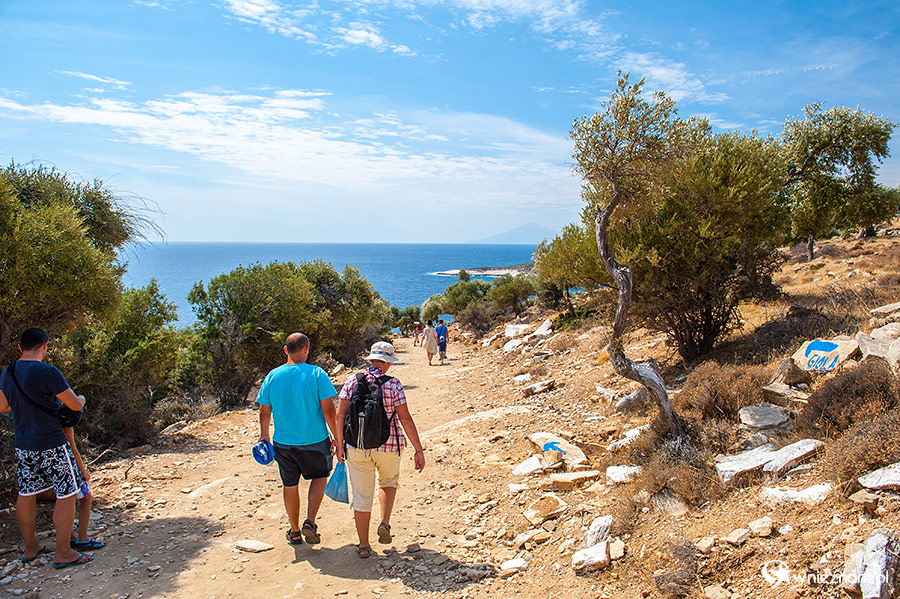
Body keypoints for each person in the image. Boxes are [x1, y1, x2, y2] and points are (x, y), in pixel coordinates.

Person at [0, 328, 93, 568]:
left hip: (24, 445)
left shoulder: (7, 372)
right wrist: (82, 398)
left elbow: (3, 406)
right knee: (67, 493)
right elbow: (73, 404)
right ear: (45, 346)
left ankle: (31, 548)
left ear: (20, 347)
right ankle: (63, 552)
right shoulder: (48, 372)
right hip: (52, 442)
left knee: (27, 492)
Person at [335, 342, 425, 559]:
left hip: (356, 446)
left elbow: (340, 415)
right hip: (389, 444)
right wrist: (418, 449)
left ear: (372, 360)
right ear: (387, 362)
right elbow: (405, 418)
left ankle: (364, 545)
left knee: (361, 495)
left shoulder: (351, 381)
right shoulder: (393, 384)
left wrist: (339, 445)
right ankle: (384, 523)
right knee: (388, 482)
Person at [257, 333, 338, 546]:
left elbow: (264, 410)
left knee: (289, 485)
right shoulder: (317, 374)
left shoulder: (272, 376)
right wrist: (337, 437)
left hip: (283, 443)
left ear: (285, 350)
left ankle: (294, 531)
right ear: (306, 349)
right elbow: (329, 410)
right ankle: (310, 521)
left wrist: (264, 435)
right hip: (315, 441)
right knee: (320, 476)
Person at [64, 426, 105, 551]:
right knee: (86, 498)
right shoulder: (63, 421)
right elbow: (73, 449)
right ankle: (82, 538)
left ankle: (69, 537)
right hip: (68, 466)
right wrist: (83, 471)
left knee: (62, 501)